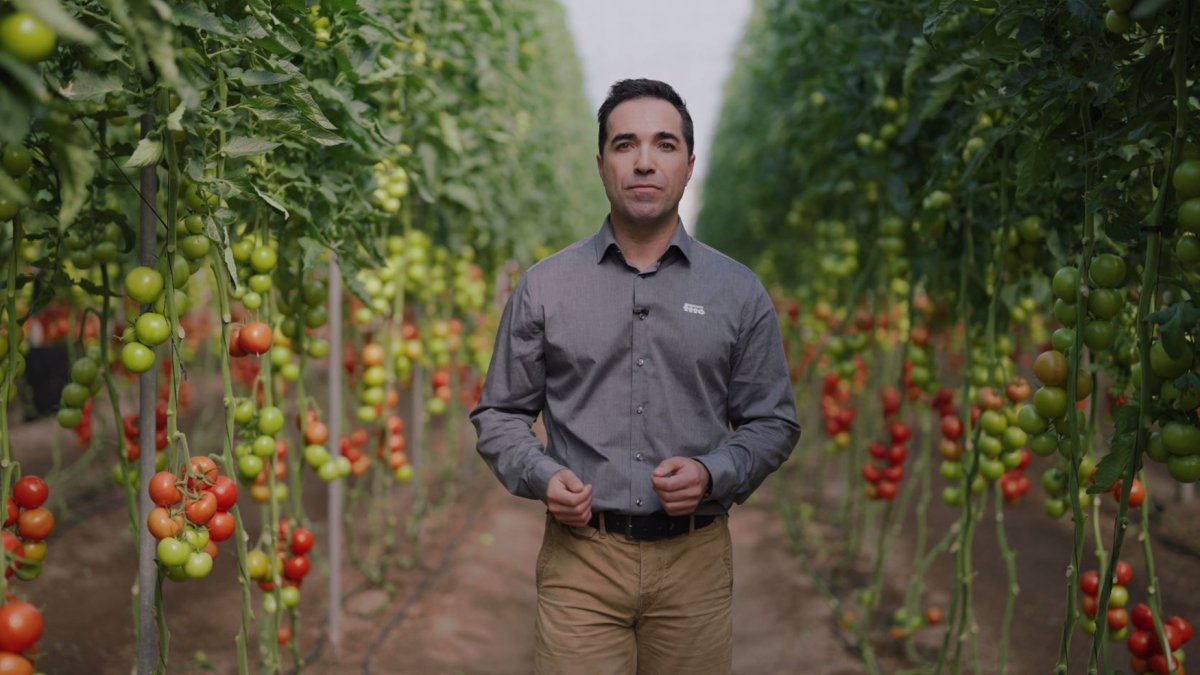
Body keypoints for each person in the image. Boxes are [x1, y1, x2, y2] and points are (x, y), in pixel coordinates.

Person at [469, 78, 800, 675]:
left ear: (690, 165)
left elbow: (773, 421)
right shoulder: (546, 286)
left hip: (695, 563)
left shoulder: (737, 291)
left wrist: (712, 472)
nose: (644, 161)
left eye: (664, 144)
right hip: (581, 560)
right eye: (625, 144)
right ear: (601, 164)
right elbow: (500, 412)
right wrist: (542, 474)